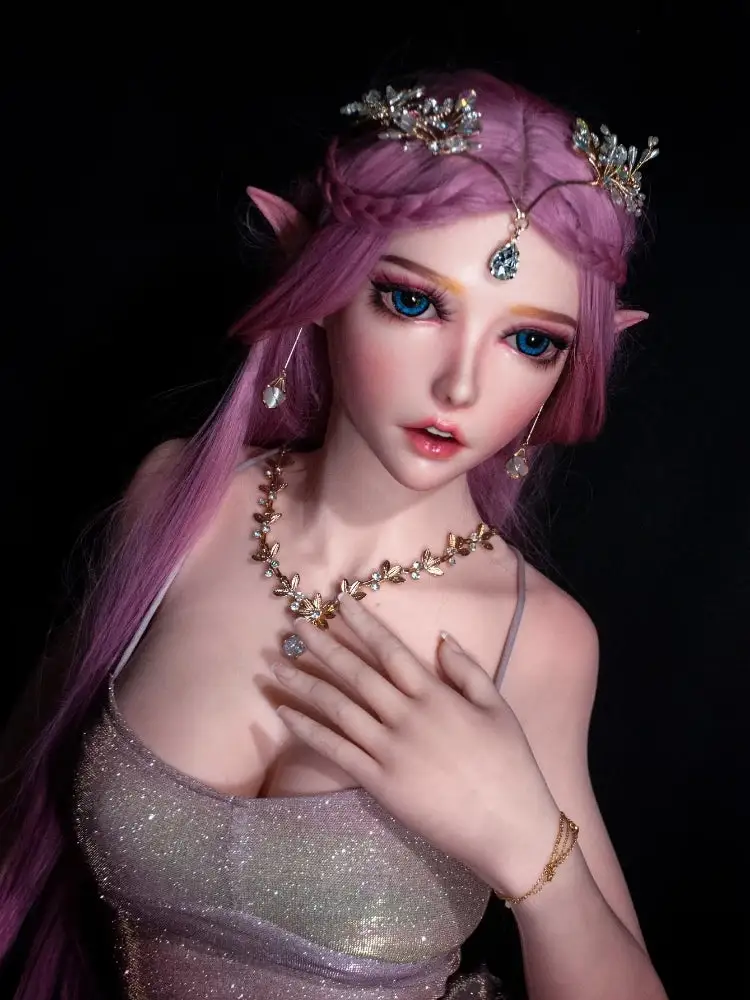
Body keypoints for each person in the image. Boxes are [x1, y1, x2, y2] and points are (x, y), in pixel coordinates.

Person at [0, 71, 668, 999]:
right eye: (414, 302)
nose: (461, 387)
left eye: (530, 342)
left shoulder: (542, 642)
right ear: (319, 283)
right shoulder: (175, 504)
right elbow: (20, 798)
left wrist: (530, 853)